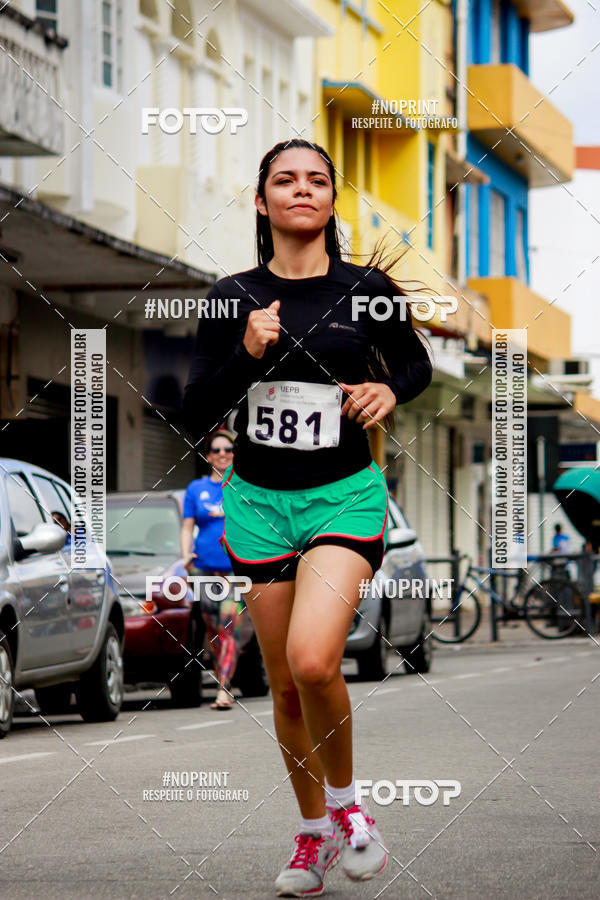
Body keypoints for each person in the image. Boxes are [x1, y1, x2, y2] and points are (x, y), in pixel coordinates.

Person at [182, 139, 433, 897]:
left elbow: (413, 363)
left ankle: (354, 811)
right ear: (261, 202)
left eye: (317, 180)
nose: (302, 190)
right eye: (285, 181)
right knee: (286, 684)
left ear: (330, 200)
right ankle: (313, 833)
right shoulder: (231, 298)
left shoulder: (366, 287)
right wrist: (248, 354)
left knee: (318, 660)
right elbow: (194, 410)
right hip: (258, 505)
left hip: (344, 496)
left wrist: (390, 393)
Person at [180, 430, 244, 710]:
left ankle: (224, 689)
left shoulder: (243, 486)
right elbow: (186, 527)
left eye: (228, 449)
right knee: (215, 631)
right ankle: (223, 681)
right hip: (202, 569)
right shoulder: (196, 489)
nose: (222, 454)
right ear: (208, 456)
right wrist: (185, 554)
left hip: (235, 570)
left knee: (229, 628)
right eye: (216, 450)